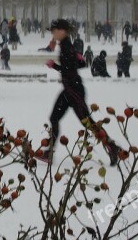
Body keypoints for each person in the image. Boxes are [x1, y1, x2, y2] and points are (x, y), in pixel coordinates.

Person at [39, 19, 122, 166]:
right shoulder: (66, 45)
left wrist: (55, 66)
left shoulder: (66, 47)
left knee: (88, 123)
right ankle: (49, 153)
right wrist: (77, 60)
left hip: (74, 91)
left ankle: (112, 147)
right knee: (54, 118)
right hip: (70, 90)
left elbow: (69, 70)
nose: (52, 34)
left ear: (61, 31)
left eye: (53, 31)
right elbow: (81, 63)